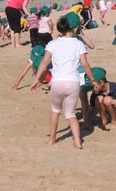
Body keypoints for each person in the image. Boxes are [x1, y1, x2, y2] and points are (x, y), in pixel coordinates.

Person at [31, 13, 98, 149]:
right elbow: (85, 64)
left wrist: (37, 79)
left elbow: (44, 62)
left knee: (56, 110)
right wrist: (93, 80)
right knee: (71, 114)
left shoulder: (52, 43)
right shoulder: (78, 43)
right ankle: (77, 141)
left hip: (57, 82)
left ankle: (52, 139)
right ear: (74, 29)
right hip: (73, 81)